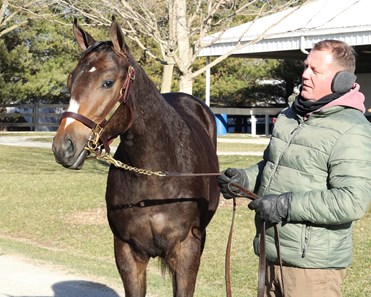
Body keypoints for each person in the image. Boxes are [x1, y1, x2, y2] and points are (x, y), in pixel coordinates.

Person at [217, 39, 371, 297]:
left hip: (312, 268)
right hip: (272, 254)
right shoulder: (291, 115)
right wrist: (244, 179)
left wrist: (286, 205)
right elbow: (273, 166)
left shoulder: (352, 128)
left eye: (315, 70)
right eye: (305, 67)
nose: (304, 75)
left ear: (341, 81)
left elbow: (353, 200)